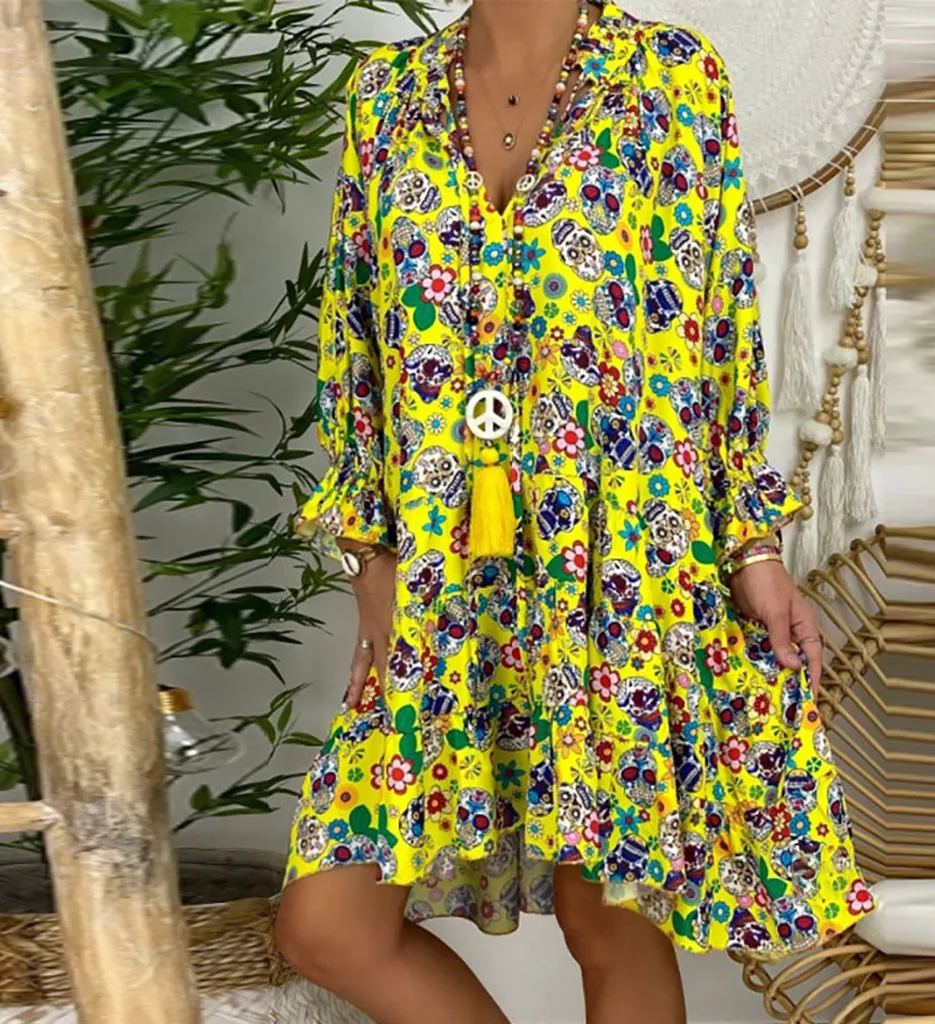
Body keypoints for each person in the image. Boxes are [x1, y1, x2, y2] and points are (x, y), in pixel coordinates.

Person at [274, 2, 875, 1022]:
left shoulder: (670, 76)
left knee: (609, 925)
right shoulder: (385, 93)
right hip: (443, 576)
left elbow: (717, 336)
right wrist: (370, 564)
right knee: (328, 926)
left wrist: (752, 549)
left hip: (617, 567)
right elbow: (355, 341)